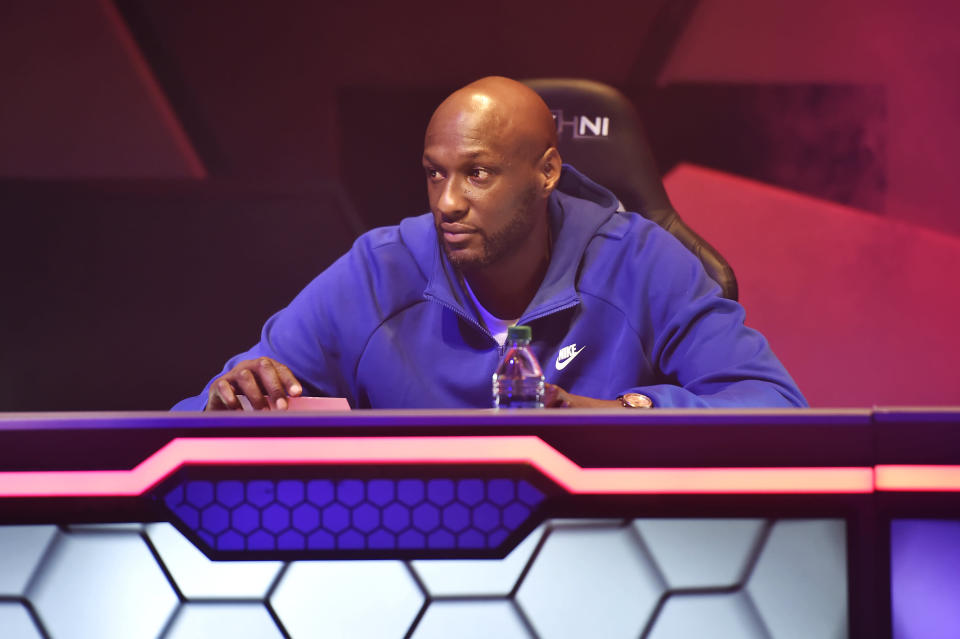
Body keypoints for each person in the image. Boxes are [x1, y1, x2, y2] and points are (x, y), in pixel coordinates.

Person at [173, 76, 806, 411]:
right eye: (434, 173)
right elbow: (186, 422)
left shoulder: (641, 262)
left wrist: (622, 413)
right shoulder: (378, 271)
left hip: (596, 557)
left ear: (547, 173)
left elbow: (776, 406)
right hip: (419, 562)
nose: (448, 201)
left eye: (477, 173)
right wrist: (229, 401)